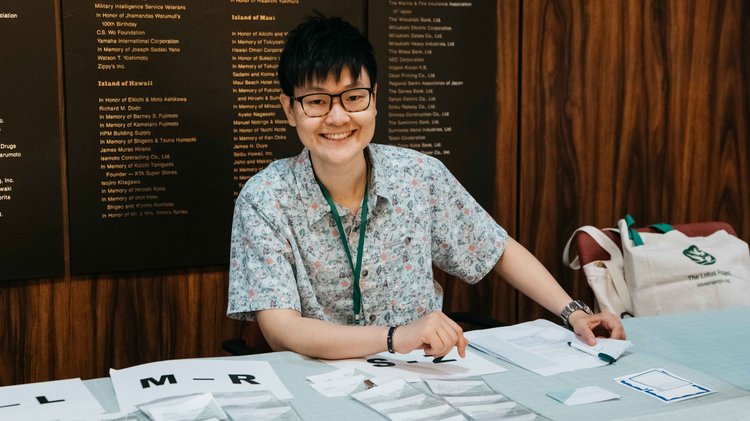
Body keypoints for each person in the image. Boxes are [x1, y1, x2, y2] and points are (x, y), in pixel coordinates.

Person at [227, 13, 624, 360]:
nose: (337, 117)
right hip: (317, 379)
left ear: (375, 100)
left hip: (420, 374)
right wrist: (395, 338)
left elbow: (496, 248)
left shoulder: (418, 174)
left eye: (353, 97)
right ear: (289, 109)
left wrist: (574, 312)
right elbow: (281, 330)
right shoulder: (265, 198)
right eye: (316, 102)